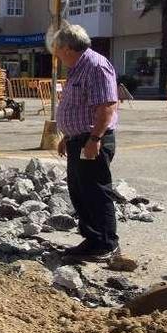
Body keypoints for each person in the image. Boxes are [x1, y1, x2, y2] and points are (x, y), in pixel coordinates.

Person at [53, 23, 120, 261]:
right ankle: (92, 239)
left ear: (68, 48)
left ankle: (105, 244)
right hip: (78, 140)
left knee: (95, 192)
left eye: (57, 51)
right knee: (80, 192)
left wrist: (94, 139)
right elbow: (79, 107)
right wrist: (68, 137)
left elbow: (106, 107)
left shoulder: (96, 66)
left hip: (92, 141)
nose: (57, 56)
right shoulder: (77, 68)